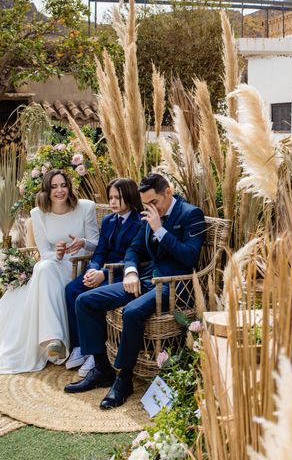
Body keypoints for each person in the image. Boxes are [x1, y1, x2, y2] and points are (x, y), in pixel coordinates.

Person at [64, 173, 205, 409]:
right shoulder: (149, 214)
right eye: (145, 204)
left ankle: (123, 379)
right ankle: (102, 368)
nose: (149, 208)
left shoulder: (190, 214)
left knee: (132, 312)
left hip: (175, 285)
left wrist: (160, 230)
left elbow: (189, 257)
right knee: (84, 300)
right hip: (146, 279)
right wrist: (130, 271)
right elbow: (134, 249)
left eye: (154, 202)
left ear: (167, 193)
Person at [0, 169, 99, 373]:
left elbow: (96, 244)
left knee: (42, 270)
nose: (60, 190)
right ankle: (53, 339)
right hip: (55, 263)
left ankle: (57, 339)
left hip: (78, 265)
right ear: (47, 190)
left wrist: (83, 243)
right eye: (54, 186)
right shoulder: (38, 213)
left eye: (63, 185)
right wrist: (59, 254)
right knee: (43, 268)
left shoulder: (86, 207)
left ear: (69, 187)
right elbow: (45, 252)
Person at [64, 178, 143, 377]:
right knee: (71, 290)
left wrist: (104, 274)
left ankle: (94, 353)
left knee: (92, 297)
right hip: (101, 271)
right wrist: (93, 269)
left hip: (121, 275)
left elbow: (137, 258)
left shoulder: (140, 221)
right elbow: (100, 251)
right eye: (111, 197)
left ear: (130, 196)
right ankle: (80, 346)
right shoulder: (108, 221)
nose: (113, 202)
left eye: (118, 197)